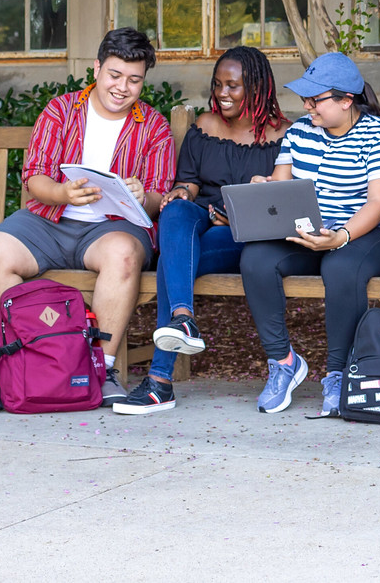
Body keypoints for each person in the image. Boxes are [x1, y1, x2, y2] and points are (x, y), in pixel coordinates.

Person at [0, 27, 175, 407]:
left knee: (124, 256)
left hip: (114, 228)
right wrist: (63, 192)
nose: (122, 87)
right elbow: (35, 176)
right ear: (96, 68)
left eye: (134, 80)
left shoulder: (154, 125)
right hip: (50, 218)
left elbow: (160, 196)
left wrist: (143, 196)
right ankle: (36, 357)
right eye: (114, 75)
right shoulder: (61, 110)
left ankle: (101, 367)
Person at [113, 46, 288, 415]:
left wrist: (240, 215)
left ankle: (160, 381)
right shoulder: (205, 127)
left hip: (246, 236)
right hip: (201, 218)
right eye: (218, 84)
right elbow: (190, 182)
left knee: (171, 262)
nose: (222, 93)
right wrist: (180, 192)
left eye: (233, 86)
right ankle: (183, 319)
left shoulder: (284, 135)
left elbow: (282, 202)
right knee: (176, 211)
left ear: (257, 87)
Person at [239, 51, 380, 417]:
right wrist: (263, 188)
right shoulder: (301, 131)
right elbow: (282, 189)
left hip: (369, 236)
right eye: (305, 99)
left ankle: (339, 373)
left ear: (347, 100)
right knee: (255, 259)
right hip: (310, 231)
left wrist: (341, 237)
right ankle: (283, 362)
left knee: (340, 267)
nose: (306, 106)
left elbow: (378, 203)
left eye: (315, 100)